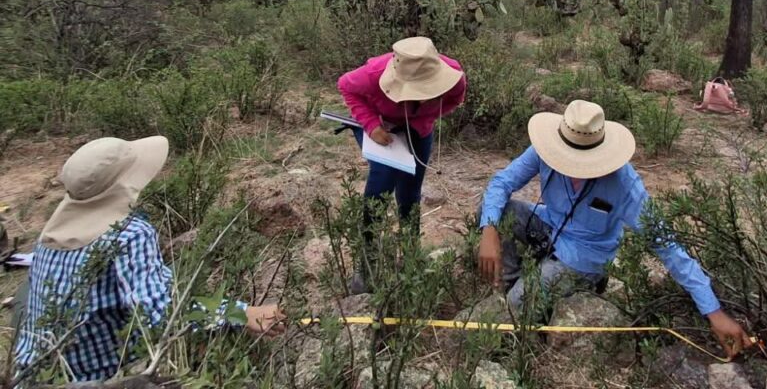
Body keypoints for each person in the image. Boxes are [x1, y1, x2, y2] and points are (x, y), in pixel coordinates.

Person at [477, 100, 751, 358]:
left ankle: (530, 304)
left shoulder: (624, 184)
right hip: (550, 224)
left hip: (584, 257)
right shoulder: (545, 149)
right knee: (496, 211)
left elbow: (666, 244)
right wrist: (489, 229)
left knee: (517, 304)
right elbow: (502, 183)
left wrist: (713, 311)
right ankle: (510, 282)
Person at [13, 136, 284, 384]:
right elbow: (162, 314)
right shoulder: (129, 235)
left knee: (24, 291)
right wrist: (241, 313)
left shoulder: (50, 231)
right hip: (91, 379)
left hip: (29, 373)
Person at [337, 36, 466, 288]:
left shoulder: (454, 76)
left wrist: (419, 120)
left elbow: (454, 99)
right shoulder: (373, 74)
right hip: (381, 127)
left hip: (419, 130)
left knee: (410, 190)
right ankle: (368, 260)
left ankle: (409, 252)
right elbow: (346, 87)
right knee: (382, 180)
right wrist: (372, 125)